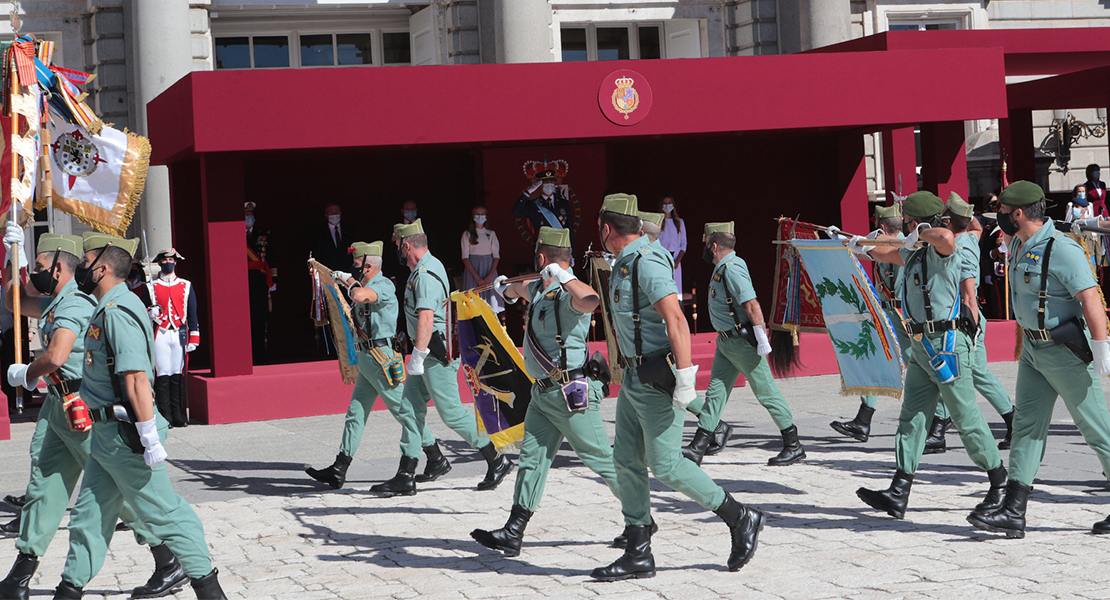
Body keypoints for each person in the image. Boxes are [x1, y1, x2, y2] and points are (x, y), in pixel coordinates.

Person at [0, 229, 186, 600]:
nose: (35, 273)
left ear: (59, 268)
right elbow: (13, 301)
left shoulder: (77, 304)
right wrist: (13, 258)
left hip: (81, 411)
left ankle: (168, 559)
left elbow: (55, 355)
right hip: (58, 407)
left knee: (120, 489)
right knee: (45, 485)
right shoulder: (56, 301)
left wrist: (26, 372)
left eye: (39, 265)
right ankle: (19, 576)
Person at [590, 194, 764, 581]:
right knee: (626, 461)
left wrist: (686, 380)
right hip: (636, 375)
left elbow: (677, 320)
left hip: (657, 378)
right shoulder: (626, 262)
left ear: (606, 229)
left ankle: (740, 517)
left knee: (666, 463)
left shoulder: (646, 260)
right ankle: (638, 550)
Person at [51, 232, 227, 599]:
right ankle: (68, 591)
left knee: (166, 513)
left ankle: (210, 591)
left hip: (126, 435)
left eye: (83, 262)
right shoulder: (106, 308)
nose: (79, 267)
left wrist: (148, 436)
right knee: (89, 517)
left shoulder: (118, 313)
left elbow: (134, 379)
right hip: (104, 436)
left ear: (100, 269)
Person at [848, 191, 1006, 521]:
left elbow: (946, 236)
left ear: (918, 223)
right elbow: (884, 254)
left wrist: (917, 233)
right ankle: (899, 489)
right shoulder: (916, 254)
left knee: (966, 417)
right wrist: (854, 244)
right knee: (913, 417)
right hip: (921, 346)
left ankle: (999, 483)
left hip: (946, 344)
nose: (904, 228)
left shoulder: (947, 250)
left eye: (907, 222)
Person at [969, 182, 1110, 538]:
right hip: (1032, 350)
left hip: (1064, 352)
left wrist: (1101, 348)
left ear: (1017, 214)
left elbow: (1091, 298)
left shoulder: (1061, 249)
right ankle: (1014, 510)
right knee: (1027, 429)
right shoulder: (1018, 242)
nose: (997, 217)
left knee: (1097, 430)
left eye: (1001, 211)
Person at [471, 227, 621, 556]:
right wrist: (506, 288)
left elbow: (591, 300)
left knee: (602, 461)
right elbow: (521, 290)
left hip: (570, 393)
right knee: (532, 459)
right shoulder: (542, 287)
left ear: (542, 258)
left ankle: (641, 519)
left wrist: (564, 276)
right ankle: (514, 530)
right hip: (542, 394)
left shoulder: (568, 292)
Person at [395, 219, 514, 490]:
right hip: (426, 352)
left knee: (450, 412)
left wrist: (418, 356)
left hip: (434, 353)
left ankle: (496, 458)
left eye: (400, 248)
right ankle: (406, 473)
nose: (400, 254)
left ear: (408, 245)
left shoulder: (425, 273)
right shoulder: (425, 268)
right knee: (410, 409)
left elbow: (426, 317)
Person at [681, 222, 805, 466]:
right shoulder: (723, 268)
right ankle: (698, 446)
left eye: (707, 244)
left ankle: (793, 444)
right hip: (726, 343)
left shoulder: (732, 268)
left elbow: (751, 305)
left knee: (766, 392)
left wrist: (761, 337)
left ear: (714, 245)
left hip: (741, 343)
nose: (705, 249)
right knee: (716, 393)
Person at [306, 242, 423, 495]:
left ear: (367, 266)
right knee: (355, 414)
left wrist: (348, 280)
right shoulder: (367, 284)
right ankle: (339, 468)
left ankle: (433, 457)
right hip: (368, 359)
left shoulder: (383, 285)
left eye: (356, 266)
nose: (354, 270)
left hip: (382, 358)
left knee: (405, 413)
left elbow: (360, 296)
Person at [830, 204, 913, 443]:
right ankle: (863, 420)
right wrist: (840, 238)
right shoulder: (884, 243)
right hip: (884, 312)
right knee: (873, 361)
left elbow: (868, 247)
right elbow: (861, 246)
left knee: (917, 366)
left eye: (877, 228)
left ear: (883, 227)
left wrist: (853, 242)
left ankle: (942, 415)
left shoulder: (907, 245)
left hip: (901, 314)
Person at [943, 192, 1016, 449]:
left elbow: (968, 296)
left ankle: (1011, 418)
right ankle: (938, 426)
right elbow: (973, 225)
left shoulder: (960, 246)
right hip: (966, 316)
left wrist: (970, 331)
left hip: (965, 315)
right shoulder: (970, 237)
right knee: (953, 370)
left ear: (947, 221)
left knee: (972, 371)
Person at [148, 248, 200, 428]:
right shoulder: (151, 286)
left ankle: (178, 414)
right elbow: (142, 310)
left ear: (175, 262)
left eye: (170, 260)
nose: (167, 263)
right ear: (159, 263)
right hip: (160, 332)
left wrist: (194, 339)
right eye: (164, 260)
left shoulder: (186, 285)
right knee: (162, 374)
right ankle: (164, 415)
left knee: (177, 374)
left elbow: (192, 314)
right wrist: (150, 312)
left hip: (179, 332)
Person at [512, 160, 578, 255]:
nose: (549, 184)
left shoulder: (564, 203)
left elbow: (569, 229)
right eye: (546, 182)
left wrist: (572, 253)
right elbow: (516, 211)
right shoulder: (534, 204)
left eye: (551, 182)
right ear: (540, 185)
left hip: (561, 247)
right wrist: (527, 193)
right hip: (543, 248)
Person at [461, 206, 503, 314]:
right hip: (473, 269)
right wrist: (477, 277)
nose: (480, 217)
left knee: (491, 303)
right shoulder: (467, 234)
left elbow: (496, 256)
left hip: (489, 268)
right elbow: (465, 257)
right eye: (477, 214)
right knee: (473, 304)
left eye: (483, 214)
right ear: (473, 217)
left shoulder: (491, 234)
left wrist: (490, 275)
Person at [246, 201, 273, 364]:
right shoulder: (235, 234)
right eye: (246, 216)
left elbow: (271, 256)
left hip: (259, 282)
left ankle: (260, 355)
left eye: (251, 216)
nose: (249, 218)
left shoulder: (263, 234)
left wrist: (273, 279)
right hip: (242, 282)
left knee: (259, 319)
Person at [312, 202, 354, 272]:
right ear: (326, 215)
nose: (334, 215)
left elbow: (353, 248)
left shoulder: (349, 230)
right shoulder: (320, 233)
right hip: (328, 272)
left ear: (341, 213)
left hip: (347, 271)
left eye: (337, 212)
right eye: (331, 213)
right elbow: (318, 255)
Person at [657, 195, 687, 293]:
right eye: (664, 204)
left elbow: (683, 243)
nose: (667, 206)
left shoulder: (679, 222)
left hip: (675, 258)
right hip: (662, 257)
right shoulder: (658, 222)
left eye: (669, 203)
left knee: (676, 287)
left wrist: (677, 261)